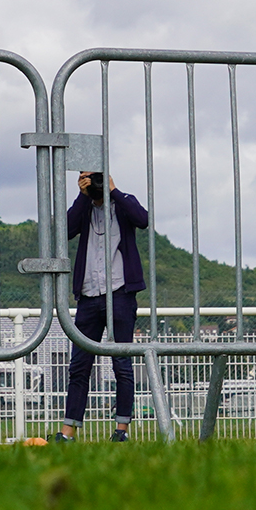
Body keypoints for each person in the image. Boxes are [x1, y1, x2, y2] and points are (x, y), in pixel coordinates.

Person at [53, 170, 148, 442]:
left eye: (94, 177)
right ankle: (68, 432)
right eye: (85, 177)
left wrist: (113, 189)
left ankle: (121, 431)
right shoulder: (83, 209)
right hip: (88, 296)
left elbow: (143, 219)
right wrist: (82, 196)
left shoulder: (124, 203)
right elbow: (66, 230)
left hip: (120, 293)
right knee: (79, 365)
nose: (91, 182)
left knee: (122, 363)